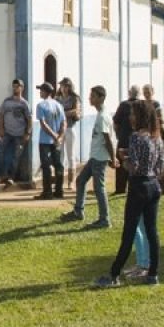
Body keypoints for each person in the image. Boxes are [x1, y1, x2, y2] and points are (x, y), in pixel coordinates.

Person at [93, 100, 164, 288]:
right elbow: (159, 166)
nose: (130, 117)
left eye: (133, 114)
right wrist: (132, 156)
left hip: (138, 187)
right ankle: (153, 274)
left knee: (129, 233)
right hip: (153, 186)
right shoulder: (156, 138)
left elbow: (133, 167)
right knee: (152, 231)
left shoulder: (136, 138)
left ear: (140, 116)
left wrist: (123, 159)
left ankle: (114, 275)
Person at [63, 86, 116, 227]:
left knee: (99, 188)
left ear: (101, 98)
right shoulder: (100, 114)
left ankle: (104, 219)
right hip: (95, 156)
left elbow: (108, 139)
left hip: (100, 158)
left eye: (93, 96)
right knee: (80, 181)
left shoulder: (104, 116)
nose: (89, 98)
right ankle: (78, 211)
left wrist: (113, 158)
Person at [0, 79, 32, 187]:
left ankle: (12, 177)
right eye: (14, 86)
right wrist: (1, 129)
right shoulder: (6, 101)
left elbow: (29, 119)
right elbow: (1, 115)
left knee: (16, 157)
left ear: (22, 88)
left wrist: (27, 133)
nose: (15, 88)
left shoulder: (24, 104)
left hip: (20, 134)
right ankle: (2, 174)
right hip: (7, 133)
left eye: (17, 86)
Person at [34, 83, 66, 200]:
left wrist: (53, 135)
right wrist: (59, 136)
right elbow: (64, 122)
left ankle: (47, 192)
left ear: (45, 92)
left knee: (46, 166)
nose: (40, 92)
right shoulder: (59, 105)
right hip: (56, 140)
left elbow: (43, 124)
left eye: (41, 90)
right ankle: (59, 190)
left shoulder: (41, 105)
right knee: (58, 165)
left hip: (45, 141)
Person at [111, 85, 139, 195]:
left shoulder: (123, 105)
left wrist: (118, 135)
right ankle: (134, 188)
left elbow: (116, 123)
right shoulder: (142, 105)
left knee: (122, 165)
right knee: (136, 163)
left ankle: (120, 188)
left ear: (129, 92)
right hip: (139, 139)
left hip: (124, 138)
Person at [59, 78, 82, 184]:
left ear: (69, 87)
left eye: (65, 86)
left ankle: (71, 181)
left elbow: (75, 111)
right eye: (62, 86)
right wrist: (67, 113)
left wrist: (62, 113)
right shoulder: (57, 98)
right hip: (59, 129)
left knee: (70, 155)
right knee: (60, 155)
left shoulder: (74, 98)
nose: (63, 88)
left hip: (70, 128)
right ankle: (60, 181)